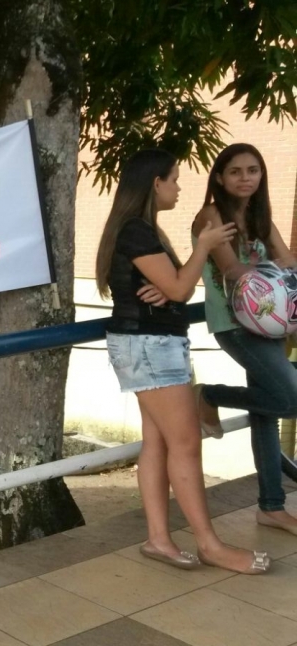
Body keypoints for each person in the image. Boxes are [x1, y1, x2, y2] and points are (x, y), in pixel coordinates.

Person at [95, 148, 269, 574]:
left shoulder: (142, 231)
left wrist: (172, 286)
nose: (178, 187)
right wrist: (203, 249)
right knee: (187, 445)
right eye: (173, 179)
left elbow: (179, 289)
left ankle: (158, 539)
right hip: (150, 346)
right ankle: (210, 545)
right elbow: (178, 288)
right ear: (155, 183)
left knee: (158, 443)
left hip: (151, 343)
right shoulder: (137, 231)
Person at [193, 143, 297, 537]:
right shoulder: (210, 216)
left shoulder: (260, 215)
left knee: (266, 414)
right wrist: (279, 276)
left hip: (271, 324)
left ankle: (271, 507)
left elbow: (287, 263)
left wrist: (288, 311)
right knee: (290, 399)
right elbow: (234, 272)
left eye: (253, 170)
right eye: (236, 171)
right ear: (219, 176)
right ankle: (211, 395)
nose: (245, 178)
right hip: (235, 325)